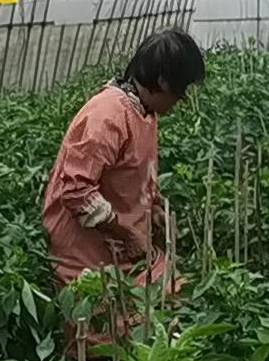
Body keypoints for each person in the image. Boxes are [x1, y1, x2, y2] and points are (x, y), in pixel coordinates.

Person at [43, 27, 203, 309]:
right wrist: (126, 234)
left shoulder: (144, 111)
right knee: (107, 326)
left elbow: (133, 174)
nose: (180, 101)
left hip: (122, 248)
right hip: (88, 254)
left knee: (169, 303)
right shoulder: (107, 114)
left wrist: (152, 206)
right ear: (164, 82)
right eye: (181, 90)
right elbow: (76, 192)